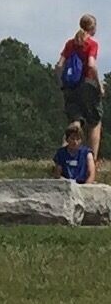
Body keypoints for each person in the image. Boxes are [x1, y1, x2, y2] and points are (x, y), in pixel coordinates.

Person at [57, 15, 102, 162]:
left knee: (75, 122)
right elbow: (91, 64)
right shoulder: (91, 44)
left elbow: (59, 65)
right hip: (87, 85)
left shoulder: (70, 44)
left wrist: (62, 82)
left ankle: (62, 159)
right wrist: (99, 85)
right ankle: (92, 160)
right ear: (93, 28)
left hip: (70, 87)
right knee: (95, 122)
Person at [54, 120, 95, 184]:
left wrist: (84, 188)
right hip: (66, 184)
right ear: (67, 139)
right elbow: (57, 174)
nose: (75, 142)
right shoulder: (61, 153)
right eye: (72, 139)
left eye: (78, 139)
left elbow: (91, 174)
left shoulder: (87, 153)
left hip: (82, 184)